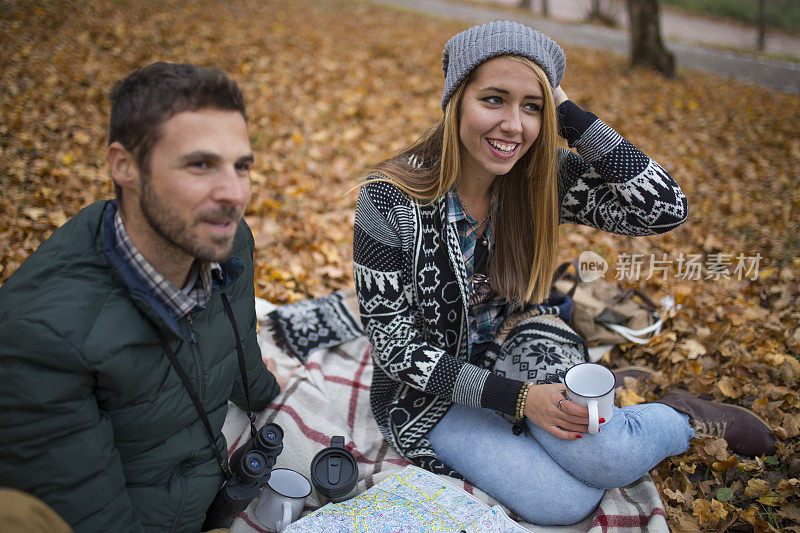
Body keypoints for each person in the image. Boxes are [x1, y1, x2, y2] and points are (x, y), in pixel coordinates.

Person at [352, 21, 775, 525]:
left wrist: (570, 116)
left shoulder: (540, 177)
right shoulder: (388, 200)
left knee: (609, 457)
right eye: (494, 99)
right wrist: (524, 401)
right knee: (562, 502)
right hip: (430, 394)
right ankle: (608, 395)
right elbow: (395, 349)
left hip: (517, 338)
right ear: (455, 101)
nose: (514, 125)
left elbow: (663, 208)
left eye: (532, 107)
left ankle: (682, 418)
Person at [0, 62, 282, 532]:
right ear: (124, 166)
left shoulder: (223, 240)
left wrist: (264, 392)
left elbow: (234, 344)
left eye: (242, 166)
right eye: (200, 164)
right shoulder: (41, 342)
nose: (235, 194)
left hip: (206, 485)